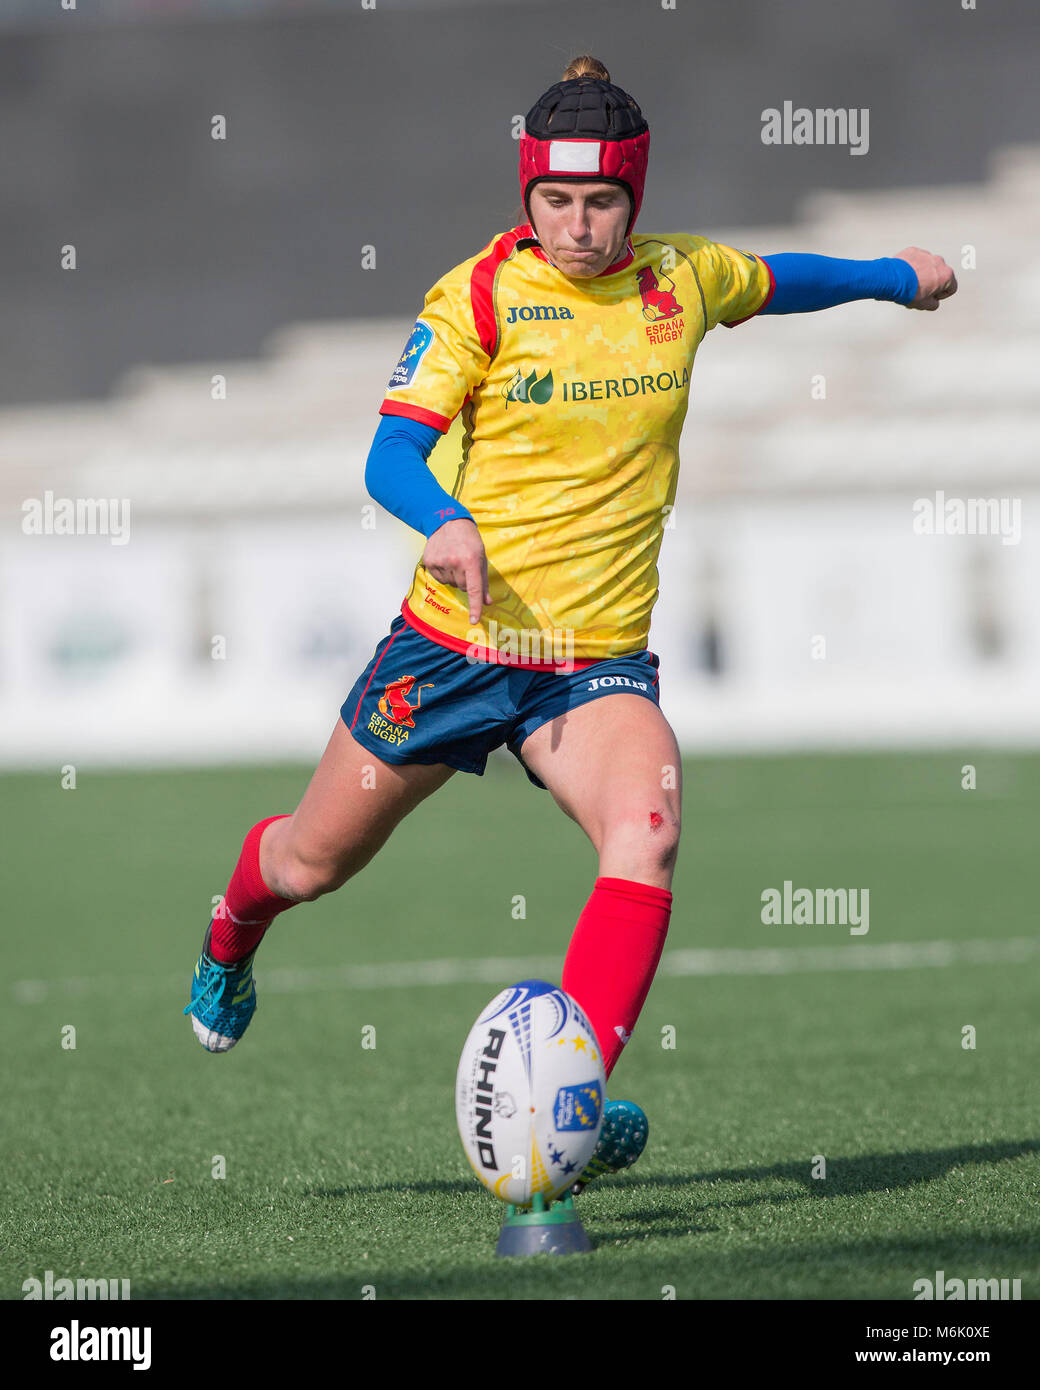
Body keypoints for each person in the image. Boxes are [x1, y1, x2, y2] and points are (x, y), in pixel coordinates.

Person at [185, 56, 956, 1192]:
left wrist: (891, 276)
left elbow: (774, 276)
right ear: (527, 192)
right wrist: (441, 519)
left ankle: (570, 1102)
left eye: (601, 202)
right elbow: (389, 451)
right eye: (556, 200)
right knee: (309, 861)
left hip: (586, 668)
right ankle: (230, 933)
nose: (579, 224)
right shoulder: (478, 294)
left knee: (644, 831)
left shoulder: (678, 279)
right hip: (453, 646)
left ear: (633, 198)